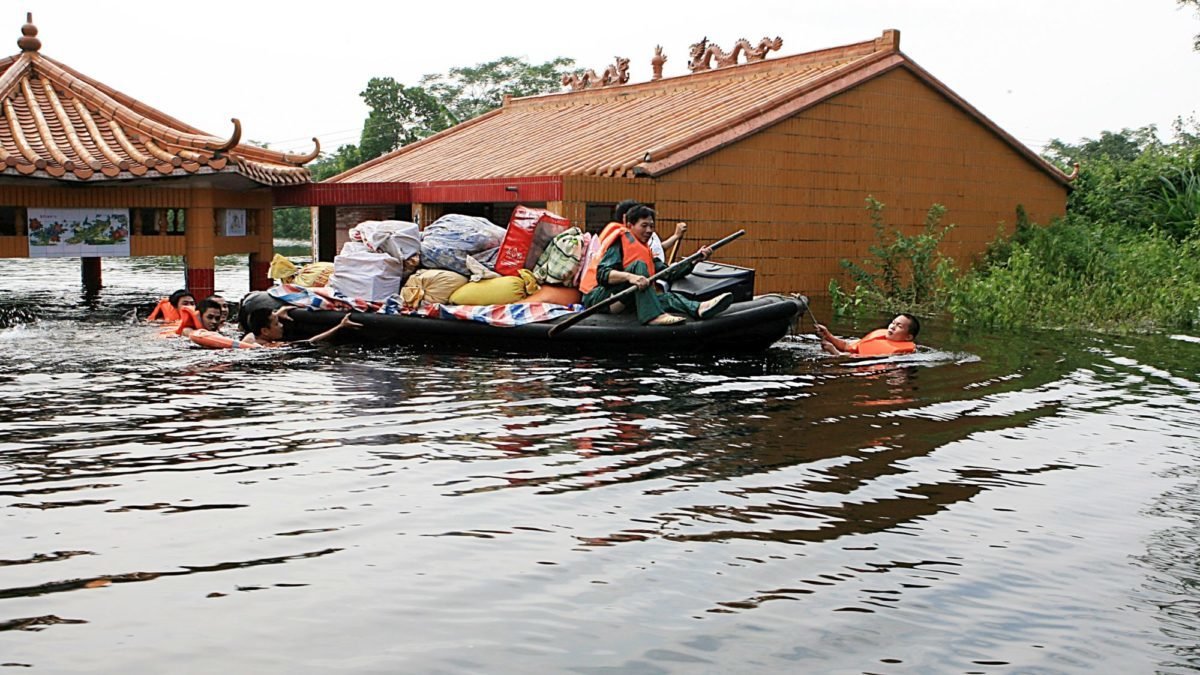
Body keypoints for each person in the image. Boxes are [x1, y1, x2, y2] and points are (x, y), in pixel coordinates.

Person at [580, 204, 733, 326]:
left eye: (651, 227)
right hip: (601, 297)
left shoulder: (646, 251)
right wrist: (630, 277)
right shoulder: (619, 244)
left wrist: (694, 260)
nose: (649, 231)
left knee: (668, 298)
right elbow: (603, 274)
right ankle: (652, 316)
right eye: (644, 225)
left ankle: (699, 308)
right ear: (630, 225)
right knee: (639, 266)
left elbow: (669, 272)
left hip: (627, 298)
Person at [243, 307, 362, 347]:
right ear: (265, 331)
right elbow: (310, 341)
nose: (281, 325)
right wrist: (340, 326)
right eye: (277, 323)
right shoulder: (272, 347)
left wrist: (277, 314)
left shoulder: (250, 337)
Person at [814, 314, 920, 356]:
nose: (892, 327)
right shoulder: (879, 336)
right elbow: (847, 346)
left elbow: (857, 358)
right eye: (893, 323)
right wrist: (828, 335)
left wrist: (834, 352)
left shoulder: (901, 354)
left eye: (899, 326)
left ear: (908, 337)